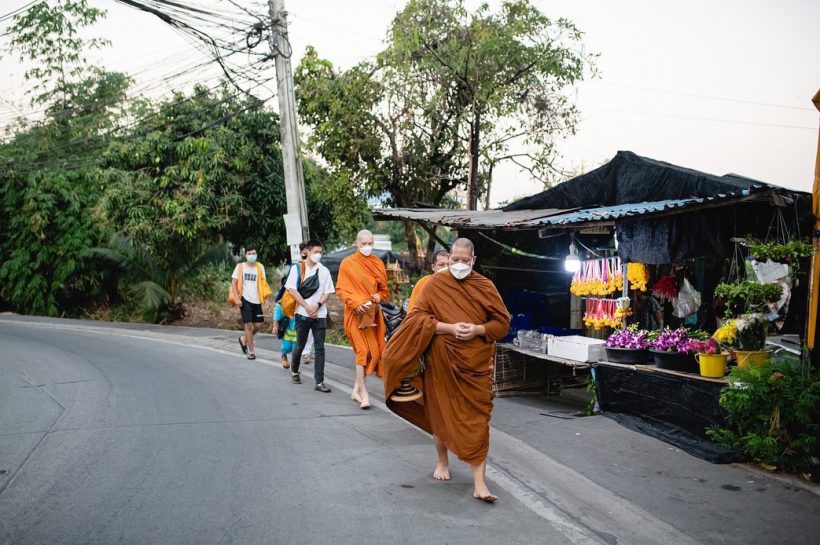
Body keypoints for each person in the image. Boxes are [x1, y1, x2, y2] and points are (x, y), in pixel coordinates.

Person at [383, 238, 510, 503]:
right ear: (448, 258)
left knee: (478, 420)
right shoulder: (434, 285)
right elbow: (416, 320)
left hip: (475, 366)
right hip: (441, 362)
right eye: (455, 260)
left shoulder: (485, 287)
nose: (460, 264)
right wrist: (449, 328)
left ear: (473, 260)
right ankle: (442, 461)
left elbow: (502, 324)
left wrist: (478, 330)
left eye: (465, 260)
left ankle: (480, 484)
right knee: (440, 411)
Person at [335, 229, 389, 409]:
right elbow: (341, 290)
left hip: (371, 315)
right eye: (363, 244)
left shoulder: (377, 263)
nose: (367, 247)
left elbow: (384, 292)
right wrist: (357, 303)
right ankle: (364, 394)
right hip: (354, 314)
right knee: (362, 352)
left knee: (374, 353)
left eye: (370, 243)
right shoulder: (347, 263)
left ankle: (355, 390)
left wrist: (377, 297)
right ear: (357, 244)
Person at [285, 239, 335, 392]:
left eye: (320, 252)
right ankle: (294, 370)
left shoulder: (324, 271)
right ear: (307, 251)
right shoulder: (298, 269)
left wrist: (317, 306)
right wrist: (307, 307)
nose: (318, 255)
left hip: (319, 315)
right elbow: (292, 290)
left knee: (320, 348)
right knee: (300, 344)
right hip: (302, 314)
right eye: (315, 252)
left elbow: (327, 292)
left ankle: (319, 382)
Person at [231, 247, 271, 360]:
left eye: (254, 253)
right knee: (248, 325)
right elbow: (234, 283)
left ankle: (244, 339)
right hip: (245, 299)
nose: (252, 255)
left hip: (257, 300)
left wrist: (266, 298)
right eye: (249, 253)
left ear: (257, 254)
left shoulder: (260, 266)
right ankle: (251, 351)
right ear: (245, 255)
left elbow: (264, 284)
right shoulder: (240, 267)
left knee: (259, 325)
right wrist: (237, 299)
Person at [272, 277, 297, 369]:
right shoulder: (281, 300)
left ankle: (295, 368)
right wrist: (275, 326)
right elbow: (277, 313)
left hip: (297, 327)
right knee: (287, 347)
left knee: (296, 348)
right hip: (287, 327)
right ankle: (284, 354)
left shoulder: (299, 296)